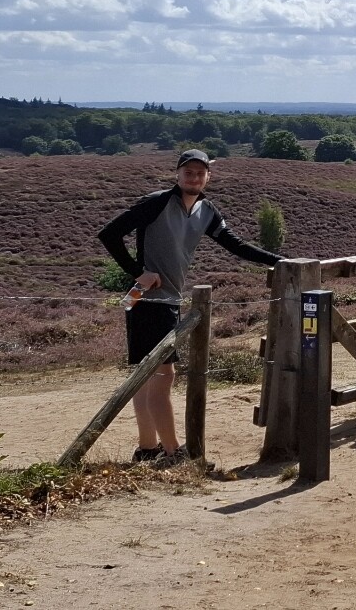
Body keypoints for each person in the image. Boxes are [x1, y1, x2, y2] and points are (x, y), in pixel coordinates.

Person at [99, 149, 283, 465]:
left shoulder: (206, 211)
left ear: (208, 176)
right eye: (188, 172)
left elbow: (236, 245)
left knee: (146, 378)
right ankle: (175, 455)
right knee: (162, 377)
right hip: (148, 302)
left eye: (200, 172)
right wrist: (138, 271)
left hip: (164, 301)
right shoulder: (156, 202)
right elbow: (109, 234)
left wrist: (281, 261)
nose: (194, 177)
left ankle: (147, 449)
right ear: (178, 174)